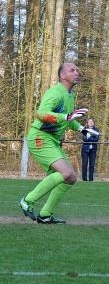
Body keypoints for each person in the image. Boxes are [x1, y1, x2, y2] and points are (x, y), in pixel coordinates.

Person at [19, 63, 94, 224]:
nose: (77, 72)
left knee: (71, 178)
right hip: (40, 137)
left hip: (51, 140)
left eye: (77, 69)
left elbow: (68, 119)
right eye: (72, 70)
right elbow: (41, 114)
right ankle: (27, 201)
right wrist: (66, 117)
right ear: (62, 76)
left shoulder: (70, 95)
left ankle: (45, 214)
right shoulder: (55, 93)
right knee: (66, 173)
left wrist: (82, 129)